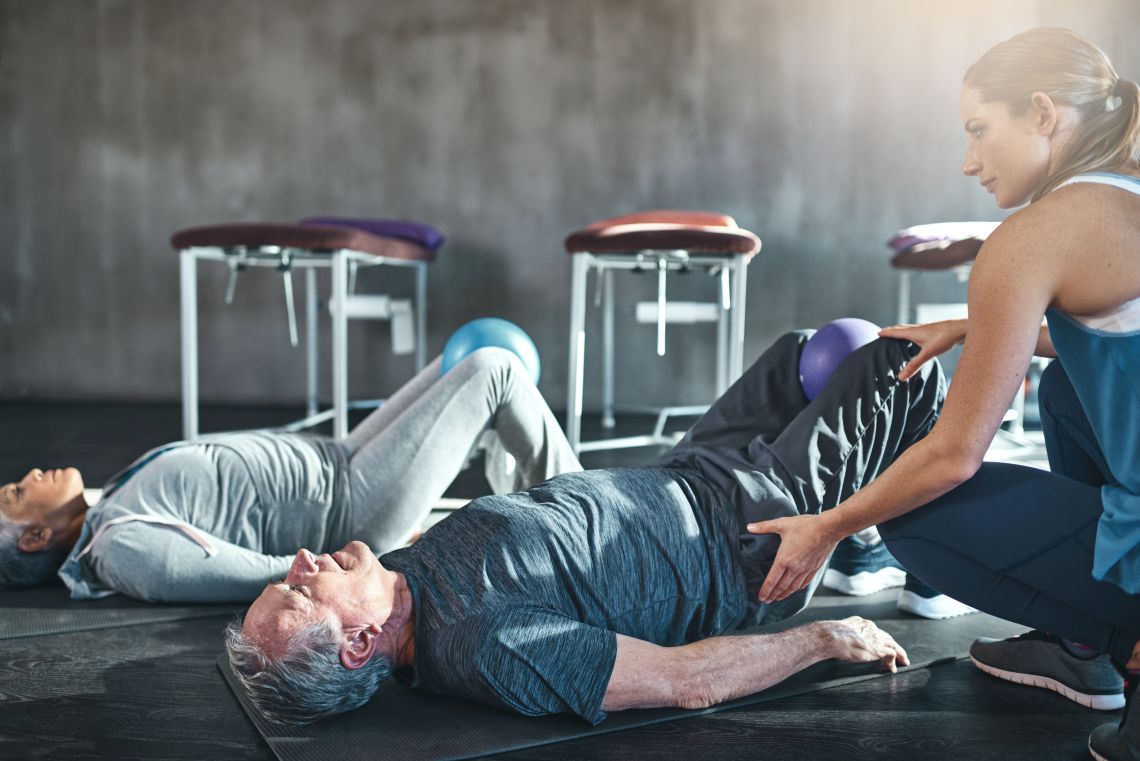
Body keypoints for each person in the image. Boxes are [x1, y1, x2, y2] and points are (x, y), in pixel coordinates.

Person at [741, 28, 1140, 761]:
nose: (968, 162)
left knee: (917, 523)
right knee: (1064, 392)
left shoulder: (1029, 238)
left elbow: (955, 455)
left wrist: (829, 525)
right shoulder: (1128, 194)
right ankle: (1080, 643)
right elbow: (1118, 341)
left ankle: (1122, 638)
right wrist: (971, 325)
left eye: (980, 130)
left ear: (1044, 112)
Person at [225, 328, 943, 724]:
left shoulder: (396, 583)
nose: (299, 561)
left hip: (688, 472)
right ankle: (916, 558)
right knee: (901, 363)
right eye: (297, 591)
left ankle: (861, 546)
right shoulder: (489, 642)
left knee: (797, 351)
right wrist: (825, 637)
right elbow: (682, 681)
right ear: (357, 643)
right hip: (753, 540)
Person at [0, 348, 581, 602]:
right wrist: (359, 562)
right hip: (352, 504)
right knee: (493, 370)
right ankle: (595, 536)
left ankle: (564, 521)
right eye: (20, 493)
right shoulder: (120, 547)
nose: (30, 473)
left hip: (340, 458)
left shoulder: (109, 510)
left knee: (462, 367)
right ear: (34, 537)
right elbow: (226, 575)